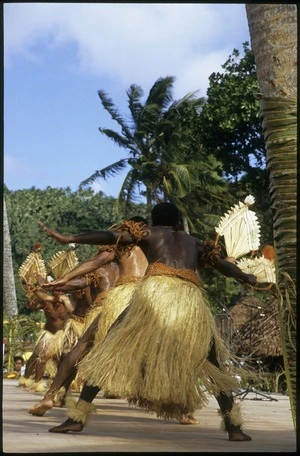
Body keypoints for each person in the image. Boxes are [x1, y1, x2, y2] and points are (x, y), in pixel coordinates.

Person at [38, 203, 256, 441]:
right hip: (190, 302)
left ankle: (76, 419)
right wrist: (244, 276)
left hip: (154, 294)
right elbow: (221, 264)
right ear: (177, 222)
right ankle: (234, 427)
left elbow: (111, 236)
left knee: (107, 352)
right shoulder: (193, 241)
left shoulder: (150, 234)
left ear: (154, 221)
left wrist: (69, 237)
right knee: (213, 363)